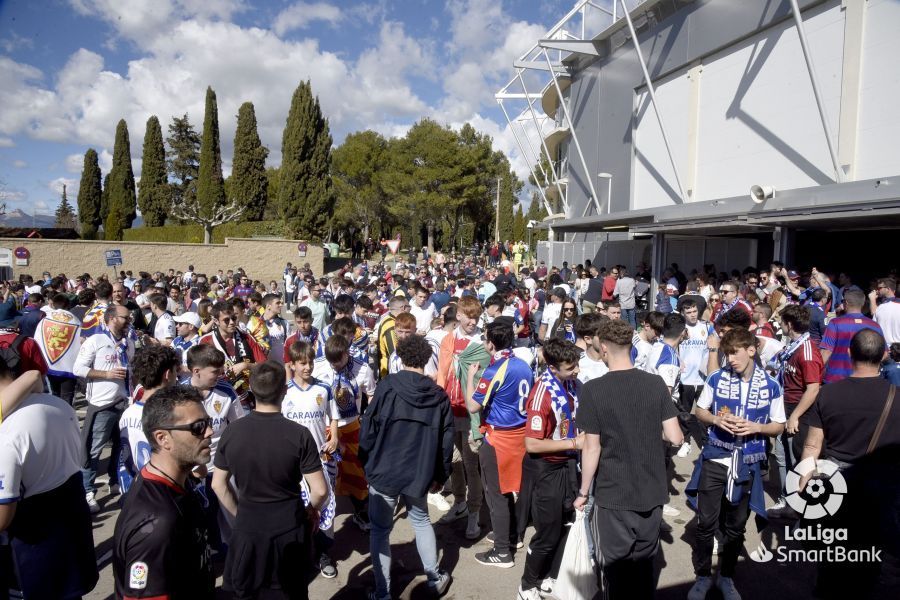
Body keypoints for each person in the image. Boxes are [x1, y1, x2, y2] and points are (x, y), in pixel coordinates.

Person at [575, 319, 683, 600]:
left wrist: (583, 491)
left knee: (615, 570)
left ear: (606, 349)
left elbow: (591, 448)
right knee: (643, 566)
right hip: (651, 490)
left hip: (614, 493)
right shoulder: (655, 383)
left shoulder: (593, 390)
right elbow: (676, 437)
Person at [211, 361, 327, 600]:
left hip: (247, 531)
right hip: (289, 531)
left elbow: (218, 484)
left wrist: (239, 512)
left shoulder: (232, 432)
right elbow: (320, 490)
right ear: (284, 391)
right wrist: (310, 510)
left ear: (251, 389)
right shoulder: (299, 434)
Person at [686, 328, 786, 600]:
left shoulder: (772, 384)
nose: (729, 358)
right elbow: (700, 411)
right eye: (726, 353)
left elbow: (778, 425)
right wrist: (717, 421)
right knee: (706, 523)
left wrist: (757, 427)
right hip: (717, 456)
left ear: (751, 350)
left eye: (734, 352)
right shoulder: (717, 378)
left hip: (748, 462)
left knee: (737, 525)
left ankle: (726, 577)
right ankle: (703, 576)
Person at [801, 329, 899, 599]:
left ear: (848, 353)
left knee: (833, 551)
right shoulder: (897, 396)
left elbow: (812, 445)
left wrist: (803, 482)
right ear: (884, 356)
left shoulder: (827, 394)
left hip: (835, 483)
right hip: (881, 485)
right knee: (870, 551)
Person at [359, 335, 454, 600]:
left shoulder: (387, 386)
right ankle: (434, 578)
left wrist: (364, 460)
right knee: (422, 521)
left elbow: (369, 426)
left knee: (380, 531)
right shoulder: (438, 395)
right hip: (419, 471)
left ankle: (383, 592)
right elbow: (445, 443)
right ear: (426, 359)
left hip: (384, 470)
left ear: (400, 358)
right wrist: (440, 474)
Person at [0, 367, 99, 600]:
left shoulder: (7, 433)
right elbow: (34, 376)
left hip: (33, 551)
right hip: (72, 530)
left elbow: (3, 516)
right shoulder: (57, 404)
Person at [113, 385, 215, 599]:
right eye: (198, 427)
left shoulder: (179, 480)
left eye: (208, 422)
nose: (209, 432)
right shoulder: (158, 522)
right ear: (162, 438)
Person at [516, 339, 583, 599]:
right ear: (553, 367)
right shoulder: (542, 394)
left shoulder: (570, 383)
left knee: (566, 523)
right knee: (548, 531)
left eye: (576, 365)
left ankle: (549, 577)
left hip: (567, 463)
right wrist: (573, 442)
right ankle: (526, 585)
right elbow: (532, 444)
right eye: (570, 367)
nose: (576, 370)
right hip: (546, 468)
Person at [465, 320, 533, 567]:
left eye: (484, 339)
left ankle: (502, 551)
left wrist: (471, 377)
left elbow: (473, 405)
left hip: (500, 438)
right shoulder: (523, 364)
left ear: (491, 344)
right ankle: (510, 536)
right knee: (512, 489)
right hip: (520, 435)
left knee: (497, 494)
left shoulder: (495, 370)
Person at [284, 341, 340, 579]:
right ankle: (300, 554)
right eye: (302, 363)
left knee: (323, 506)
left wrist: (335, 437)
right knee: (296, 510)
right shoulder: (284, 392)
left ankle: (324, 553)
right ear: (293, 365)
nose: (307, 367)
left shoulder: (324, 389)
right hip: (293, 464)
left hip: (319, 461)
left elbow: (333, 417)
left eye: (310, 362)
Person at [73, 304, 135, 514]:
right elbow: (78, 369)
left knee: (120, 445)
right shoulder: (96, 340)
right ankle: (88, 490)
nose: (128, 321)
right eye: (124, 317)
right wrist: (107, 375)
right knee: (93, 448)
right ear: (111, 318)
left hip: (124, 402)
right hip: (102, 404)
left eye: (129, 318)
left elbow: (132, 370)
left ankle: (115, 480)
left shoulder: (128, 342)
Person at [313, 334, 376, 530]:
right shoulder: (318, 366)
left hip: (350, 426)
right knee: (324, 471)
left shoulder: (363, 369)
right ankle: (322, 514)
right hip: (324, 427)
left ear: (347, 353)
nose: (334, 365)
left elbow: (371, 394)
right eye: (331, 361)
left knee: (356, 472)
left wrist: (369, 419)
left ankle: (360, 511)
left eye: (338, 360)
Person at [436, 295, 485, 535]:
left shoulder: (481, 344)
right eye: (469, 317)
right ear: (459, 316)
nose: (473, 322)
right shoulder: (448, 339)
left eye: (476, 317)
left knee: (471, 463)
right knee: (453, 460)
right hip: (449, 409)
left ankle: (474, 512)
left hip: (471, 412)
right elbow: (441, 374)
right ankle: (460, 502)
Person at [767, 304, 823, 517]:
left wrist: (796, 416)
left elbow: (813, 388)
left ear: (789, 324)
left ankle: (797, 506)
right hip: (785, 407)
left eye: (782, 323)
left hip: (798, 412)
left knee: (797, 460)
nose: (780, 326)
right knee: (782, 457)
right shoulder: (792, 347)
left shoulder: (807, 351)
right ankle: (787, 500)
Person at [117, 346, 180, 494]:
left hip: (135, 488)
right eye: (175, 371)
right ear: (167, 374)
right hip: (161, 490)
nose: (177, 377)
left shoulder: (128, 413)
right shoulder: (169, 415)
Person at [678, 299, 716, 457]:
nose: (693, 315)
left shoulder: (707, 326)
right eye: (689, 312)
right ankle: (685, 441)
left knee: (704, 412)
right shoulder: (680, 328)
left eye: (694, 311)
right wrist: (678, 360)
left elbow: (715, 344)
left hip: (702, 379)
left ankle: (705, 442)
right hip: (685, 379)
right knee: (684, 412)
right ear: (683, 313)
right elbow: (673, 347)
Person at [820, 288, 883, 384]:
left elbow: (826, 352)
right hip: (865, 380)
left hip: (836, 379)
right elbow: (884, 353)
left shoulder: (835, 323)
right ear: (862, 304)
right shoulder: (874, 325)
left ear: (846, 302)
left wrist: (814, 373)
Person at [33, 294, 82, 405]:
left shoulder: (44, 320)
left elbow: (38, 340)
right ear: (68, 304)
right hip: (69, 366)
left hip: (49, 365)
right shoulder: (76, 321)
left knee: (54, 394)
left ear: (53, 305)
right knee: (67, 396)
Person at [870, 278, 900, 344]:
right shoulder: (882, 305)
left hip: (885, 348)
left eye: (879, 288)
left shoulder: (882, 307)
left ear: (888, 289)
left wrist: (872, 299)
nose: (877, 290)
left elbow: (874, 313)